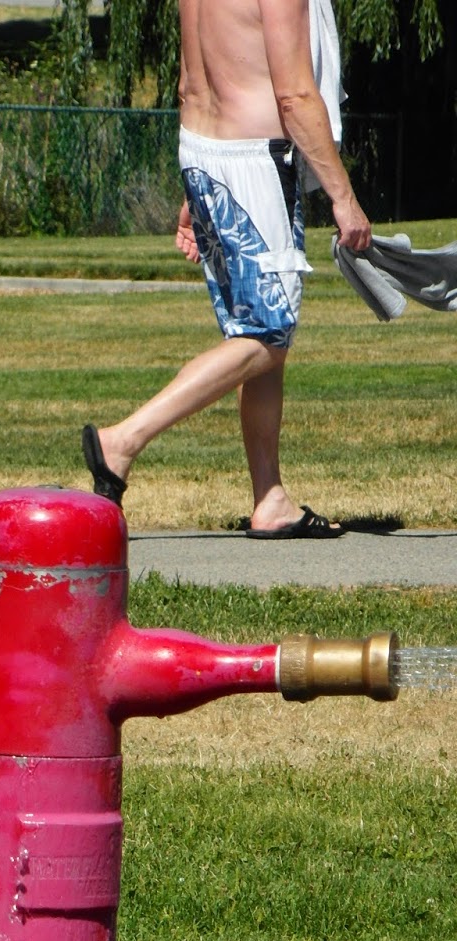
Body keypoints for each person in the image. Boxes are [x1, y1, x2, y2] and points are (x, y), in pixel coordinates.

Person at [81, 0, 372, 538]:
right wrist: (343, 197)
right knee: (269, 335)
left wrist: (201, 189)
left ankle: (271, 498)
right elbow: (294, 95)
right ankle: (123, 440)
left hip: (204, 149)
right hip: (253, 160)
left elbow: (191, 81)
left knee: (252, 335)